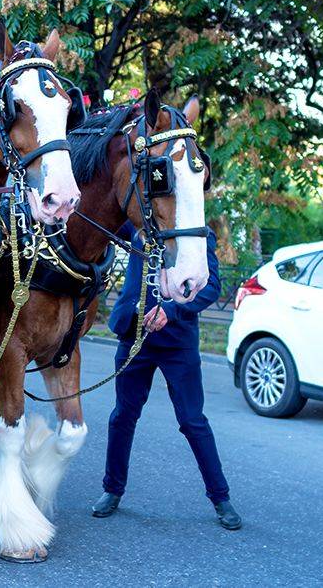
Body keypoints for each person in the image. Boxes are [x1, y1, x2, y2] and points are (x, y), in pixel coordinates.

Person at [91, 223, 241, 530]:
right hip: (134, 336)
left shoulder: (197, 235)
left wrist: (171, 311)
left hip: (177, 342)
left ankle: (221, 498)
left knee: (192, 420)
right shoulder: (135, 224)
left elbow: (210, 286)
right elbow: (101, 215)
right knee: (122, 417)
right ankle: (112, 490)